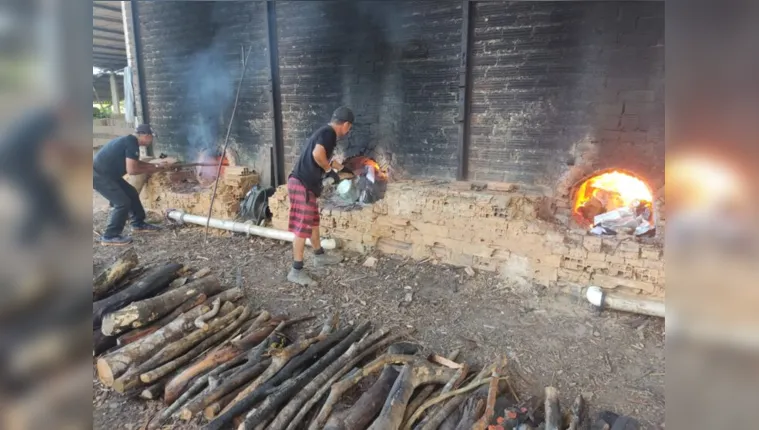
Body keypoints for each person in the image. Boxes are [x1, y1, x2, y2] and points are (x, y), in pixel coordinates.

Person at [287, 107, 354, 286]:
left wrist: (343, 170)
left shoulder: (324, 133)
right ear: (346, 125)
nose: (348, 132)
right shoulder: (329, 133)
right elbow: (318, 155)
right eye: (349, 128)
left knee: (313, 222)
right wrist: (329, 171)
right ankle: (296, 270)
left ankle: (319, 256)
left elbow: (324, 157)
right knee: (302, 228)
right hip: (302, 184)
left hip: (305, 186)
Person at [0, 105, 72, 247]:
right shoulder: (46, 120)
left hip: (20, 160)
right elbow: (51, 147)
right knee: (38, 198)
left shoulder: (38, 116)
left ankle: (63, 225)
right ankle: (25, 238)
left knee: (50, 187)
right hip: (13, 162)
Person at [93, 124, 165, 245]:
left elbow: (136, 163)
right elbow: (132, 170)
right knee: (122, 203)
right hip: (99, 176)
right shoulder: (131, 143)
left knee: (131, 193)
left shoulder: (129, 141)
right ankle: (110, 236)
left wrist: (155, 167)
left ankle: (138, 224)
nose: (152, 140)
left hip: (109, 175)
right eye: (152, 137)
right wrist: (152, 168)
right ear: (146, 136)